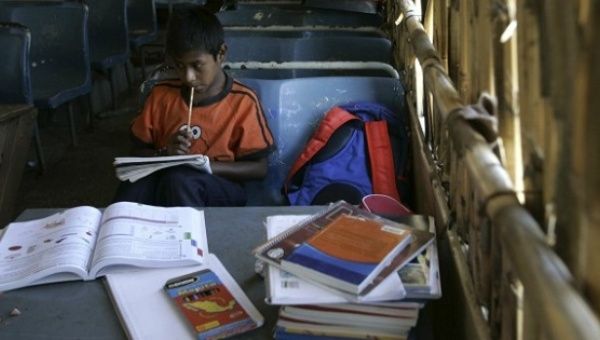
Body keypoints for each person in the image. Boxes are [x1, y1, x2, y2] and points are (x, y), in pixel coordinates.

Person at [113, 7, 274, 207]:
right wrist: (165, 153)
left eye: (197, 65)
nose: (188, 77)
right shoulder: (161, 95)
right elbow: (137, 153)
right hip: (167, 182)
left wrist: (206, 166)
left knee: (181, 179)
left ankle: (186, 237)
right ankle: (119, 234)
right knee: (135, 183)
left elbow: (259, 169)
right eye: (180, 66)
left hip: (221, 188)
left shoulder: (243, 101)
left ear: (221, 54)